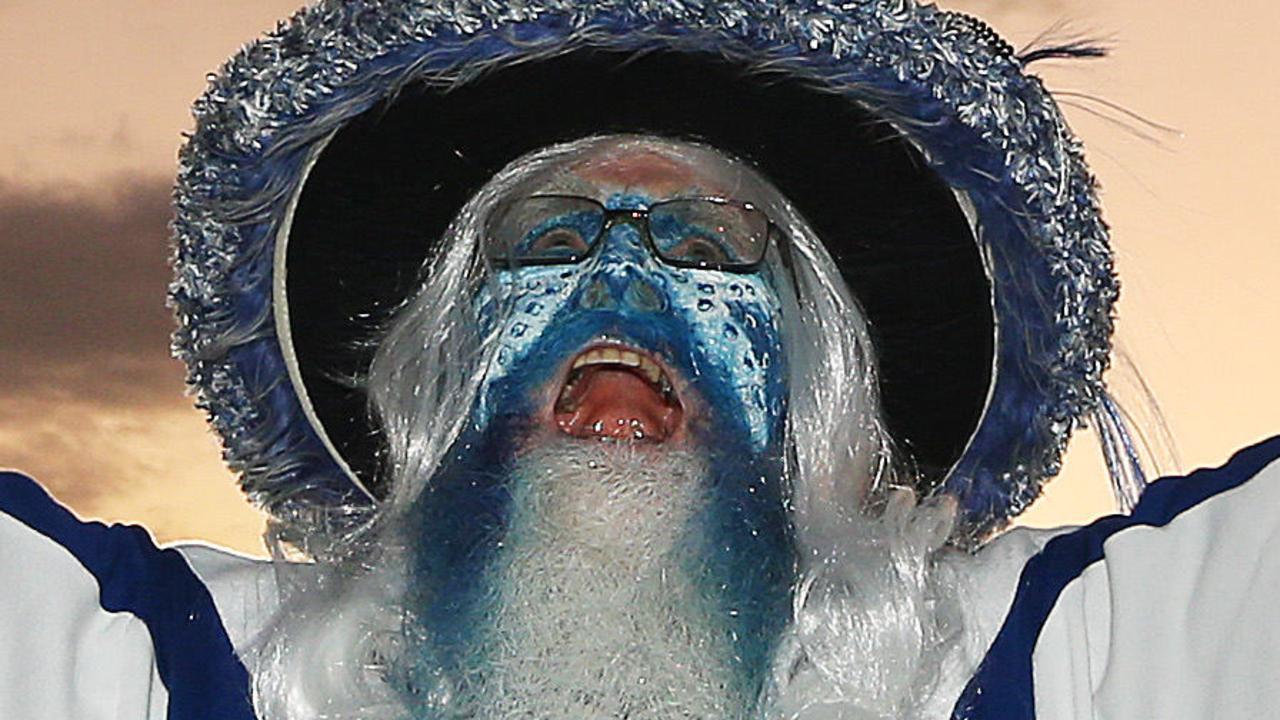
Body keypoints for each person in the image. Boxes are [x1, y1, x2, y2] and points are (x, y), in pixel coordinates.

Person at [2, 2, 1277, 719]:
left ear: (818, 385)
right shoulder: (175, 672)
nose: (622, 272)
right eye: (542, 235)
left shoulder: (1048, 668)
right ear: (437, 371)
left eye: (708, 241)